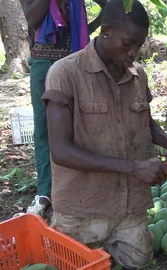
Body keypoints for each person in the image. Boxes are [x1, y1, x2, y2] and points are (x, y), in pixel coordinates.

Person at [41, 0, 167, 268]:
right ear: (106, 30)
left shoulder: (138, 75)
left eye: (139, 45)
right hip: (82, 208)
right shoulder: (65, 73)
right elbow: (61, 151)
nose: (134, 52)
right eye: (128, 44)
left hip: (128, 207)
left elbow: (147, 123)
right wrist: (134, 167)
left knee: (139, 262)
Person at [18, 0, 107, 217]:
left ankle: (79, 184)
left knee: (80, 122)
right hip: (42, 61)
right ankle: (45, 190)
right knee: (43, 127)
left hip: (75, 60)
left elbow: (111, 5)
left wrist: (89, 29)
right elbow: (32, 18)